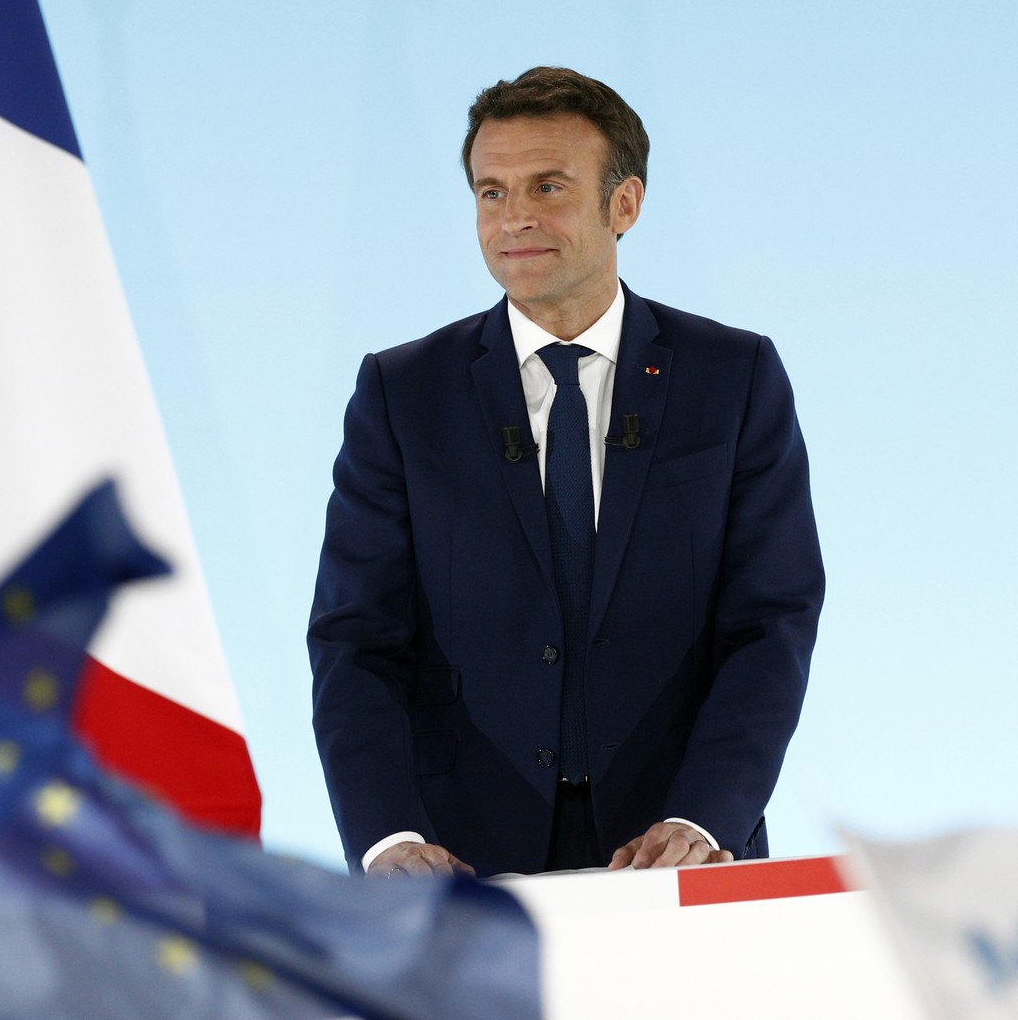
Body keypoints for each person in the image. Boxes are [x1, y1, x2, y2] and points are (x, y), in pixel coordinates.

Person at [308, 66, 824, 879]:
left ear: (625, 203)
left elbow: (773, 623)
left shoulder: (734, 376)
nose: (514, 218)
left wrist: (703, 814)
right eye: (491, 192)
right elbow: (355, 640)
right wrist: (386, 835)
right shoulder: (402, 394)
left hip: (676, 854)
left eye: (547, 186)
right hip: (462, 867)